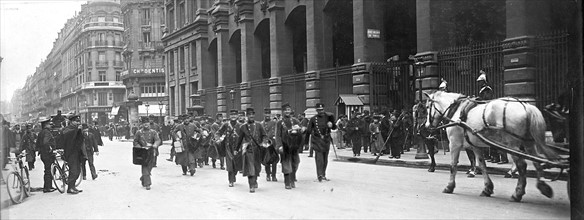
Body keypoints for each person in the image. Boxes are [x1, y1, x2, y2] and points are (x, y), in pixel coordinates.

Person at [235, 107, 268, 193]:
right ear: (247, 116)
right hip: (248, 150)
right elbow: (240, 139)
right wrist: (236, 149)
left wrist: (264, 143)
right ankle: (251, 185)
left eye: (252, 114)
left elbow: (264, 135)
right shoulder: (243, 127)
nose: (251, 116)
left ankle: (255, 180)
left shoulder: (259, 125)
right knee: (250, 168)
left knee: (257, 167)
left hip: (257, 149)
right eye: (249, 115)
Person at [305, 103, 336, 182]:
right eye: (319, 110)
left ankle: (323, 174)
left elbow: (334, 127)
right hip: (317, 140)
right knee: (319, 159)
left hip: (326, 140)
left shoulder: (329, 117)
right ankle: (319, 175)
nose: (320, 111)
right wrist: (306, 143)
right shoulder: (313, 119)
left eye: (321, 110)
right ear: (316, 110)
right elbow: (308, 131)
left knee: (325, 158)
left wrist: (331, 125)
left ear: (323, 109)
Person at [275, 103, 303, 189]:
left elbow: (300, 132)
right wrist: (279, 145)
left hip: (294, 146)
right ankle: (287, 182)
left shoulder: (295, 121)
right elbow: (277, 135)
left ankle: (292, 179)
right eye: (285, 110)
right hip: (285, 146)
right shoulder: (280, 122)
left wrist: (299, 130)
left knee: (295, 163)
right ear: (283, 111)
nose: (287, 112)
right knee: (286, 164)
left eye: (288, 110)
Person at [215, 110, 243, 187]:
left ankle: (234, 174)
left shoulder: (241, 125)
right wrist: (217, 139)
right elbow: (218, 132)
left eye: (235, 115)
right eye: (232, 115)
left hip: (238, 147)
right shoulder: (226, 125)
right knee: (230, 163)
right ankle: (230, 180)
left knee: (236, 163)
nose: (233, 116)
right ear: (229, 116)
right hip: (228, 147)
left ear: (237, 116)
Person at [62, 114, 86, 194]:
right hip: (70, 152)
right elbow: (67, 136)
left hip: (77, 152)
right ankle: (70, 188)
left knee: (78, 170)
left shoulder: (76, 129)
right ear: (71, 122)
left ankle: (73, 186)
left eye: (78, 121)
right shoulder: (67, 129)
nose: (77, 123)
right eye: (76, 121)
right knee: (73, 170)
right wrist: (76, 130)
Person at [133, 121, 161, 190]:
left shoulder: (153, 132)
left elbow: (158, 140)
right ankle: (147, 183)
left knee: (150, 166)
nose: (146, 125)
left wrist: (155, 145)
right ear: (142, 125)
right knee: (145, 166)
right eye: (144, 124)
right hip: (143, 152)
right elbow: (135, 141)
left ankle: (143, 178)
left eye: (147, 124)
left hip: (151, 151)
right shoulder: (138, 132)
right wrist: (139, 146)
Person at [36, 117, 57, 193]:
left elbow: (37, 143)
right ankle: (47, 188)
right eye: (48, 124)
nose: (50, 125)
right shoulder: (47, 132)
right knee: (48, 170)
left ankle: (48, 186)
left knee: (48, 170)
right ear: (45, 125)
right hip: (47, 154)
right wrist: (50, 148)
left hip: (43, 154)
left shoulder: (41, 132)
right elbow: (45, 142)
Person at [261, 108, 279, 182]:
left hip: (273, 143)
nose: (267, 115)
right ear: (264, 114)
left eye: (268, 113)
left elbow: (276, 133)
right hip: (265, 143)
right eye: (266, 113)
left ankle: (274, 175)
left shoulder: (274, 123)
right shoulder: (261, 124)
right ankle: (268, 175)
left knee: (274, 160)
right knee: (266, 160)